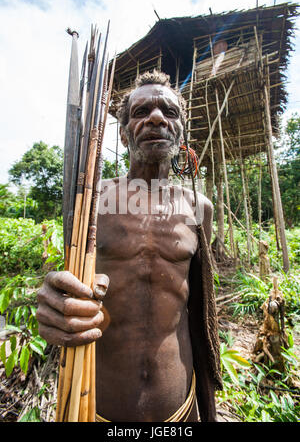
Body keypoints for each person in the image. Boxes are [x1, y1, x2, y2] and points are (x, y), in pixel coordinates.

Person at [37, 70, 222, 422]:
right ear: (123, 135)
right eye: (141, 112)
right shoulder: (92, 201)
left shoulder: (199, 208)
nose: (156, 117)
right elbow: (68, 281)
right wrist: (56, 302)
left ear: (180, 132)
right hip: (97, 406)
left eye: (169, 112)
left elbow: (200, 304)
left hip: (181, 408)